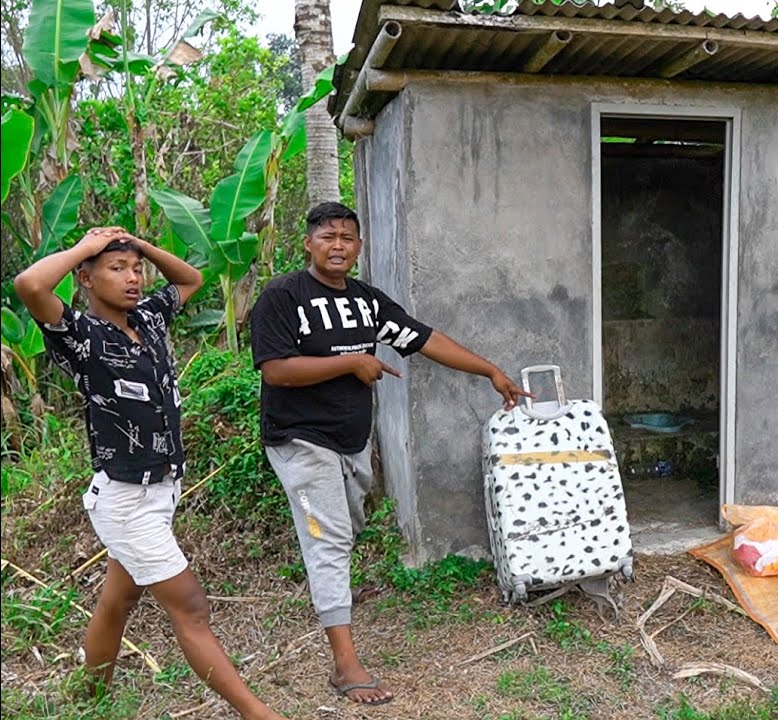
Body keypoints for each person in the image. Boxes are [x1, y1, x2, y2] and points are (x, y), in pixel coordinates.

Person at [249, 202, 528, 706]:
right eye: (328, 236)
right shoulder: (283, 297)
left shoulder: (365, 302)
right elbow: (276, 370)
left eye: (348, 238)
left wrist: (490, 370)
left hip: (352, 441)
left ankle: (336, 593)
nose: (339, 245)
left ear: (358, 246)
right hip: (299, 438)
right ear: (309, 243)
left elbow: (424, 338)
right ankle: (345, 665)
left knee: (349, 525)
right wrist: (352, 362)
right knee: (329, 540)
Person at [13, 228, 285, 719]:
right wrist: (86, 248)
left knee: (119, 598)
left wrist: (138, 244)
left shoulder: (150, 319)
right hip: (125, 499)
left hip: (162, 490)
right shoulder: (79, 336)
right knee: (191, 607)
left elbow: (191, 278)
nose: (133, 278)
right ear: (87, 280)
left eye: (136, 270)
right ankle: (259, 714)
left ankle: (89, 699)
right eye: (117, 270)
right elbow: (30, 285)